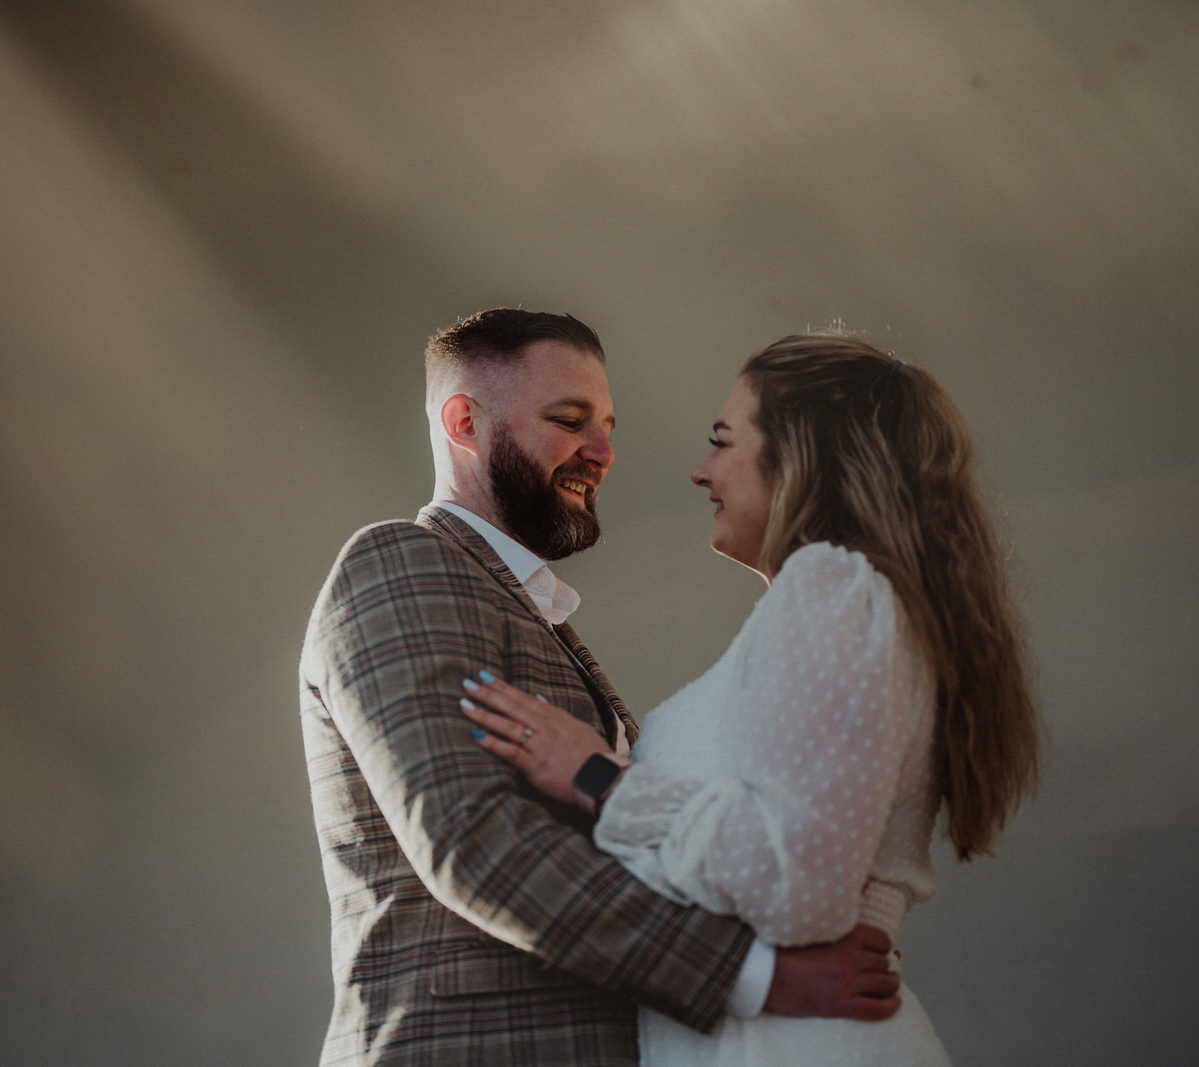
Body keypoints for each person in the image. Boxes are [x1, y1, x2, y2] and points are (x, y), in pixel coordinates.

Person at [298, 311, 905, 1066]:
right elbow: (474, 840)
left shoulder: (533, 616)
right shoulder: (403, 563)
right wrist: (758, 976)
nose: (604, 452)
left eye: (608, 426)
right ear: (464, 423)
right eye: (569, 421)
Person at [462, 333, 1041, 1065]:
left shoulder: (831, 586)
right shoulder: (858, 607)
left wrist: (598, 777)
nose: (701, 469)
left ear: (800, 456)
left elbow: (795, 883)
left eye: (723, 440)